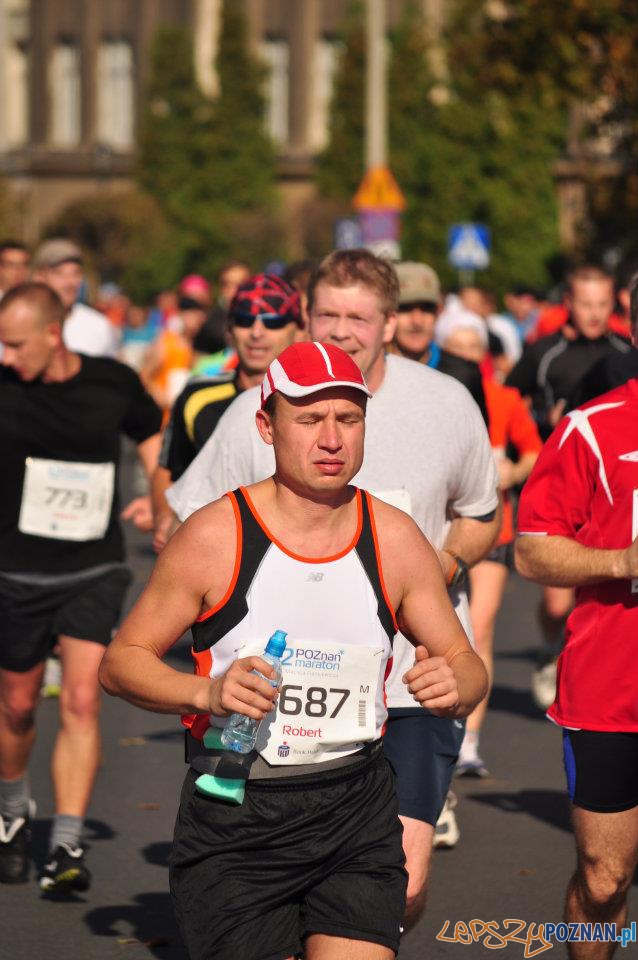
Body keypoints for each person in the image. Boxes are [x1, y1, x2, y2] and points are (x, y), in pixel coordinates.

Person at [99, 339, 488, 960]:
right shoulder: (216, 536)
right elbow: (122, 662)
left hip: (355, 807)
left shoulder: (393, 536)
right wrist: (206, 691)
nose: (331, 439)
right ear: (266, 425)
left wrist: (457, 685)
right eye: (309, 419)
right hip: (236, 811)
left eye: (348, 419)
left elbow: (466, 664)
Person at [165, 250, 500, 918]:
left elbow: (482, 515)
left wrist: (439, 568)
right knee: (293, 898)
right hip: (277, 699)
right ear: (306, 315)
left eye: (359, 316)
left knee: (398, 888)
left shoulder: (447, 402)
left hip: (408, 678)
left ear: (389, 323)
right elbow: (186, 518)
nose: (343, 329)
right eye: (327, 314)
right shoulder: (260, 410)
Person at [0, 282, 162, 891]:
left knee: (82, 700)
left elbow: (151, 433)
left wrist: (158, 495)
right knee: (16, 706)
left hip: (94, 567)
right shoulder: (4, 385)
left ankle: (66, 843)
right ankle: (14, 811)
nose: (8, 357)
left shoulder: (110, 382)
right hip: (15, 571)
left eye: (16, 345)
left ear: (52, 333)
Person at [514, 274, 638, 960]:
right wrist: (622, 561)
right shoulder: (592, 429)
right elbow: (532, 550)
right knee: (604, 878)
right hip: (613, 686)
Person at [506, 264, 632, 710]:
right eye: (586, 304)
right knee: (557, 603)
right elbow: (508, 397)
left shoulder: (623, 349)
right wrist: (538, 427)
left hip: (611, 482)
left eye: (602, 304)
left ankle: (578, 658)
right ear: (569, 305)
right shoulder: (544, 353)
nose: (595, 314)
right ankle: (550, 647)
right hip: (555, 473)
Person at [439, 318, 542, 776]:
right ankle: (437, 732)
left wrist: (513, 474)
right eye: (455, 347)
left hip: (492, 531)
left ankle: (469, 741)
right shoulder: (433, 400)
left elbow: (535, 452)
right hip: (439, 532)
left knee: (477, 630)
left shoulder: (503, 400)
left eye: (472, 348)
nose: (465, 356)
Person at [152, 273, 303, 551]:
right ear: (230, 330)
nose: (256, 332)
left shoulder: (310, 401)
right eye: (245, 321)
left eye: (273, 322)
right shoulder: (197, 395)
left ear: (299, 330)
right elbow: (167, 470)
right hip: (211, 550)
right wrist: (163, 517)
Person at [388, 261, 488, 422]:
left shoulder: (464, 375)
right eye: (405, 308)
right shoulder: (371, 373)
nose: (417, 321)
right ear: (387, 313)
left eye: (427, 308)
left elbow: (478, 442)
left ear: (439, 312)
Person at [32, 238, 120, 359]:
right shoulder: (19, 323)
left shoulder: (99, 325)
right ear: (39, 277)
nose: (70, 282)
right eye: (59, 273)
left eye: (76, 273)